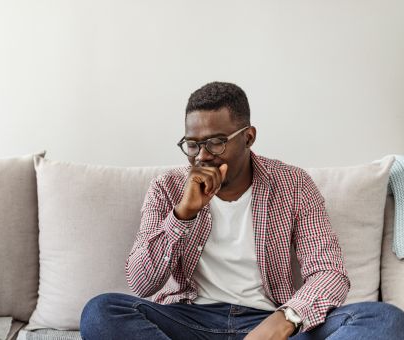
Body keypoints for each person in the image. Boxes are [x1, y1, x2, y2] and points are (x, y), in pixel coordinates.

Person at [79, 82, 404, 339]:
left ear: (248, 137)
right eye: (192, 144)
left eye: (216, 142)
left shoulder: (292, 184)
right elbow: (141, 284)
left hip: (270, 320)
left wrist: (285, 319)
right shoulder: (168, 188)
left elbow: (329, 272)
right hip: (190, 320)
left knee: (383, 320)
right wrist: (182, 216)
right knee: (101, 312)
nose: (202, 156)